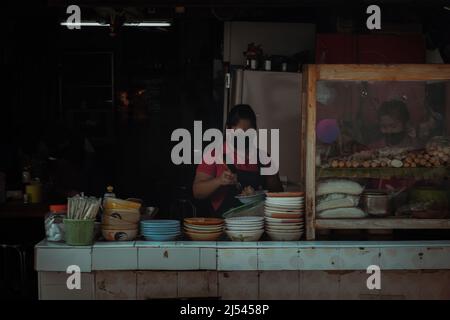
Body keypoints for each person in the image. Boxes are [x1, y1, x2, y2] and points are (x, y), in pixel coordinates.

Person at [193, 104, 283, 216]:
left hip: (257, 227)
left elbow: (278, 194)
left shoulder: (264, 158)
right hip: (224, 228)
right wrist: (219, 181)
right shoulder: (214, 155)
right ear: (228, 129)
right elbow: (197, 191)